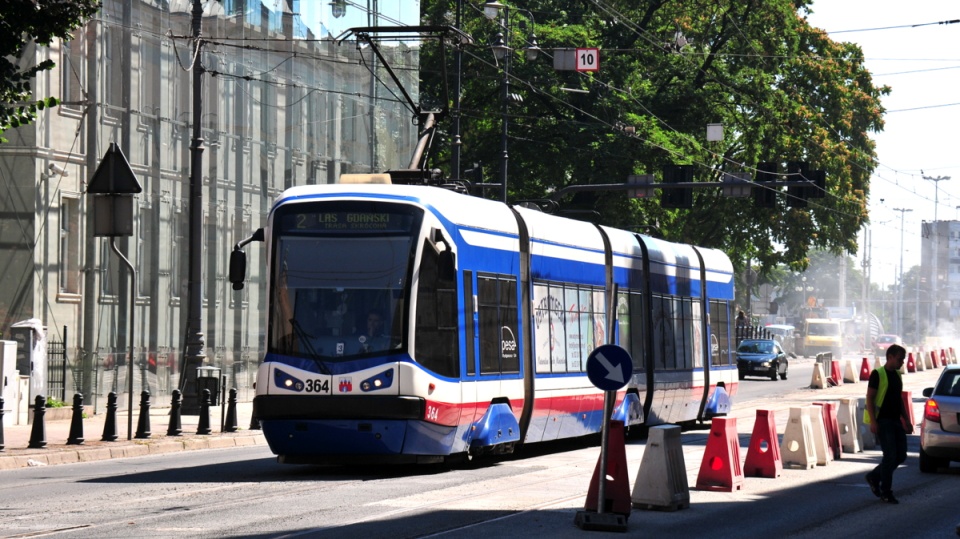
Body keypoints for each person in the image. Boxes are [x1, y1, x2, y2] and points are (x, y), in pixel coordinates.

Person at [864, 343, 911, 504]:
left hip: (896, 420)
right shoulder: (877, 374)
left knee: (901, 455)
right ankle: (886, 492)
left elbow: (899, 400)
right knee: (890, 455)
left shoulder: (897, 375)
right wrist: (873, 421)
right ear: (889, 357)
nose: (902, 362)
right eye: (899, 359)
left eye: (903, 359)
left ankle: (874, 476)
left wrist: (907, 419)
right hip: (883, 421)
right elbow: (869, 398)